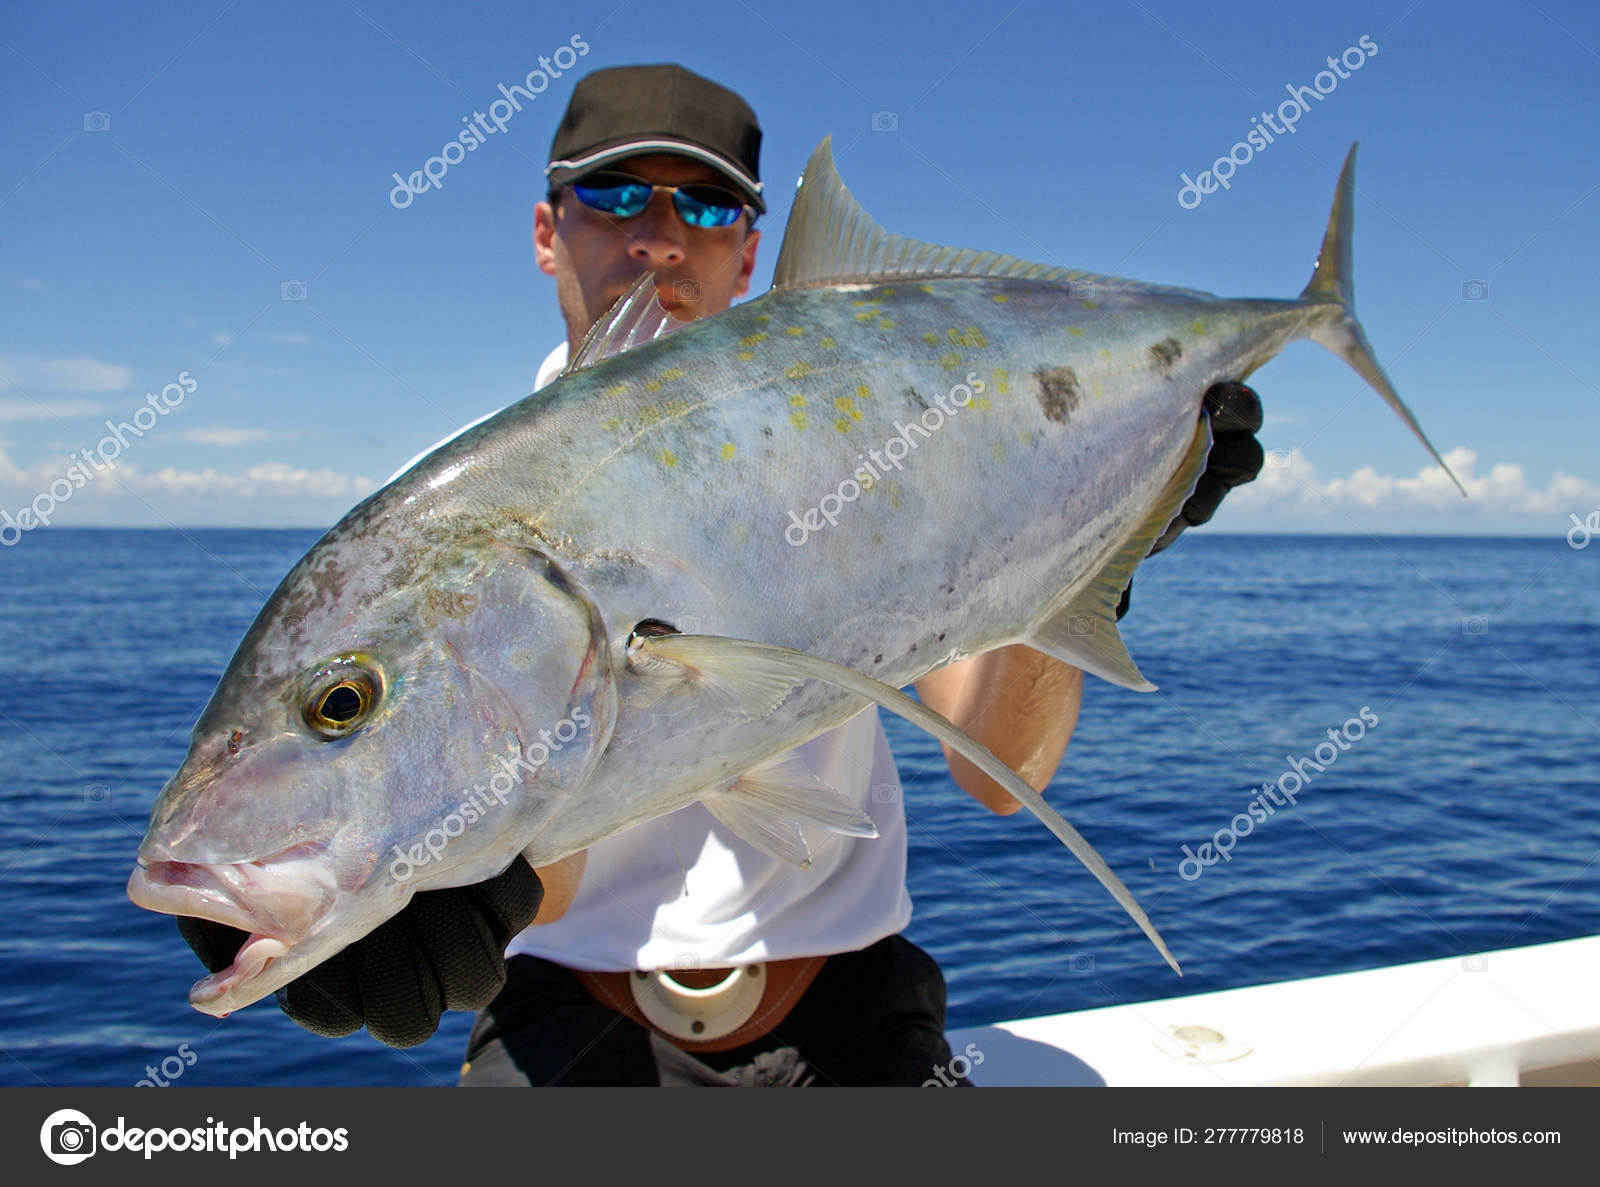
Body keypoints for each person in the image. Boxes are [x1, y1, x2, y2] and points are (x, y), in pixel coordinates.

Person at [180, 64, 1263, 1085]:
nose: (659, 235)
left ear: (752, 253)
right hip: (570, 1021)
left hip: (855, 1009)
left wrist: (1088, 550)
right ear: (545, 230)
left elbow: (996, 770)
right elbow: (540, 817)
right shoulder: (439, 521)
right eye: (614, 194)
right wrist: (430, 884)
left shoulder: (860, 423)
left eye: (704, 207)